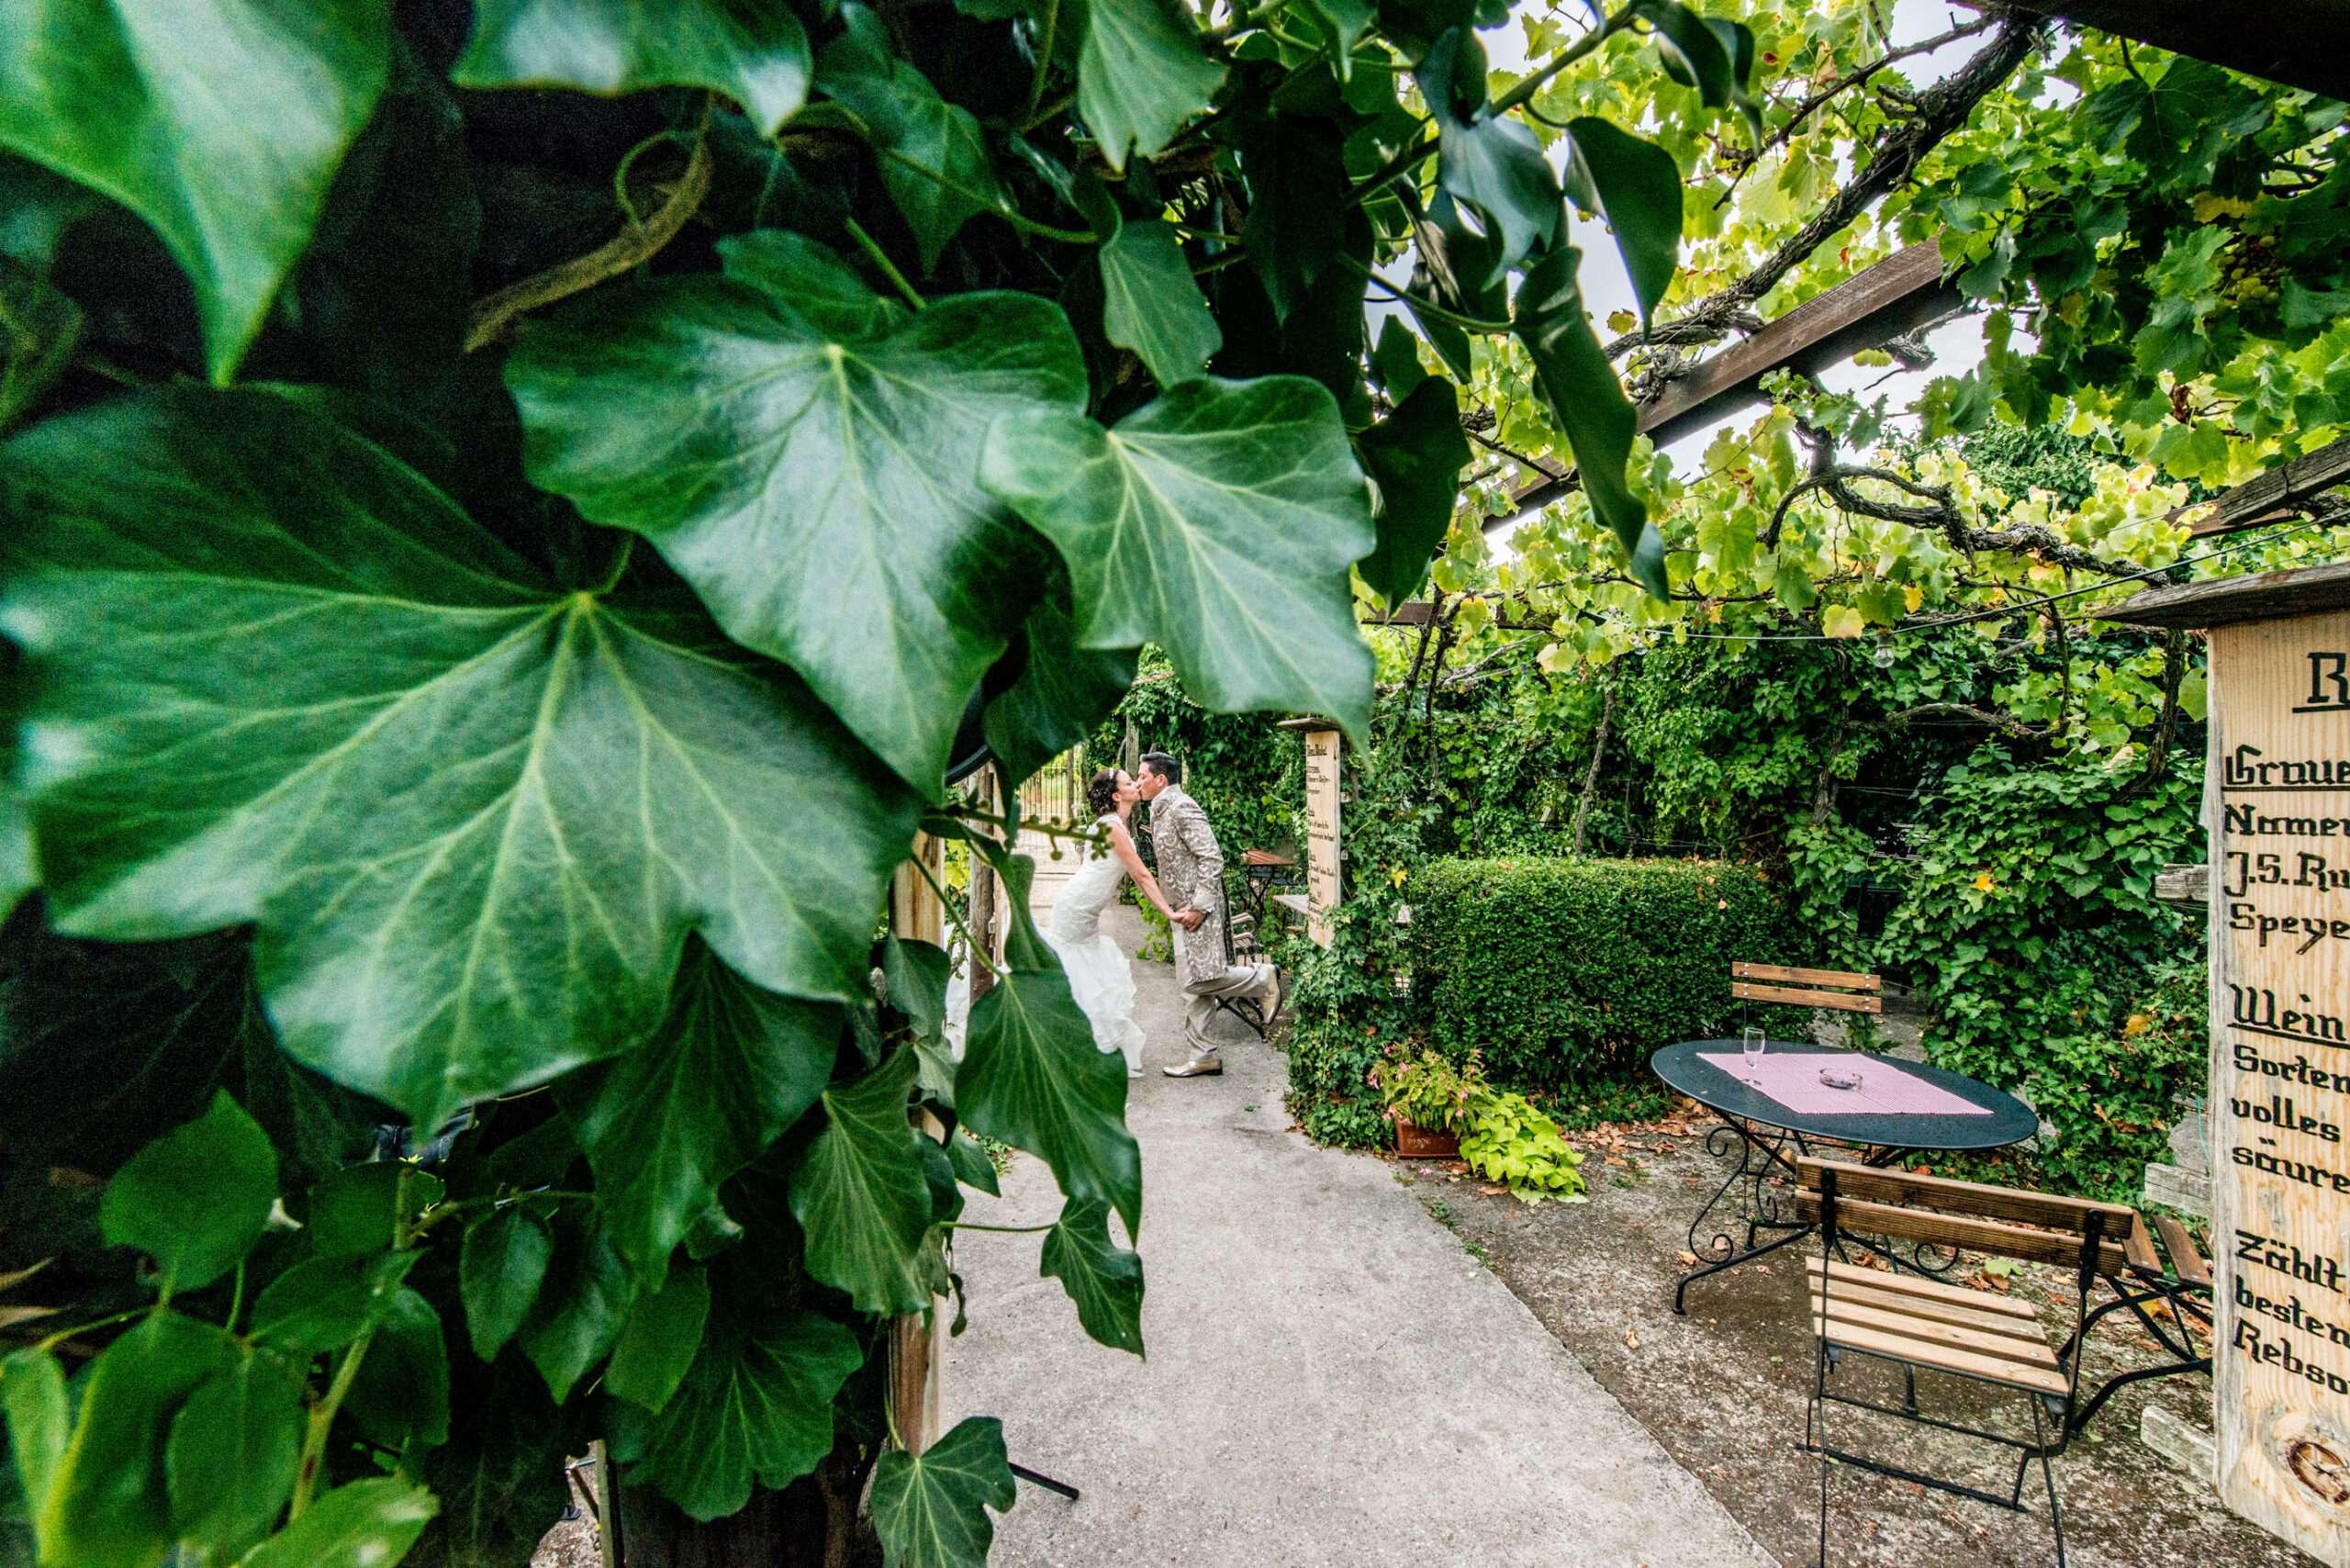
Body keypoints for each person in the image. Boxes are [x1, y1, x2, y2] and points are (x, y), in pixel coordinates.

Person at [1136, 751, 1277, 1078]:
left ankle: (1263, 978)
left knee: (1198, 980)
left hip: (1198, 909)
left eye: (1143, 776)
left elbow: (1211, 857)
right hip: (1179, 910)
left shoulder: (1182, 807)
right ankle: (1204, 1055)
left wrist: (1200, 906)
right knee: (1192, 986)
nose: (1138, 781)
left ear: (1161, 779)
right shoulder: (1160, 809)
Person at [1043, 767, 1183, 1078]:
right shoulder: (1112, 827)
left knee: (1089, 977)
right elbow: (1141, 875)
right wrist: (1169, 912)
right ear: (1117, 795)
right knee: (1077, 976)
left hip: (1083, 911)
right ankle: (1064, 1047)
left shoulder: (1112, 824)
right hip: (1075, 910)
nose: (1136, 783)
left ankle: (1082, 1047)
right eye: (1129, 782)